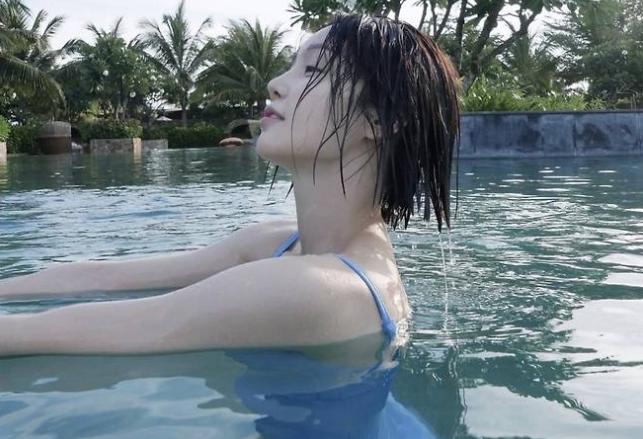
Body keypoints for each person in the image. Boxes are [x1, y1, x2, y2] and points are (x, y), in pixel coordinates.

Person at [0, 14, 460, 357]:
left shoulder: (325, 289)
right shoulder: (279, 244)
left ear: (379, 119)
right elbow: (103, 278)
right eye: (290, 66)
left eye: (313, 70)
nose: (275, 83)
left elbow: (99, 329)